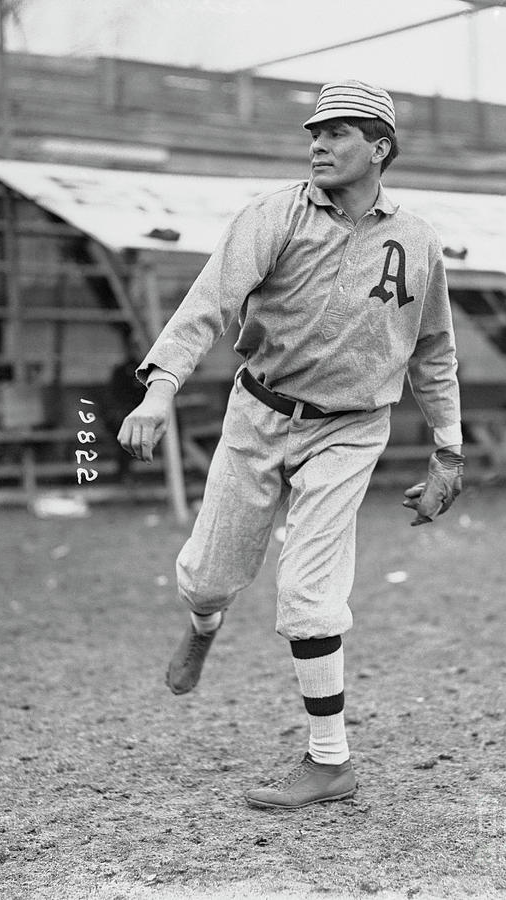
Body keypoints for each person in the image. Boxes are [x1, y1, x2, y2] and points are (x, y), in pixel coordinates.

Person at [118, 80, 464, 810]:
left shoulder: (418, 239)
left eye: (338, 133)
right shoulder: (273, 215)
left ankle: (329, 760)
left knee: (309, 593)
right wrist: (159, 389)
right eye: (314, 132)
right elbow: (207, 305)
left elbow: (433, 349)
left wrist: (448, 449)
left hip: (350, 427)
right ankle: (204, 623)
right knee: (207, 578)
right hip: (259, 413)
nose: (318, 144)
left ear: (380, 148)